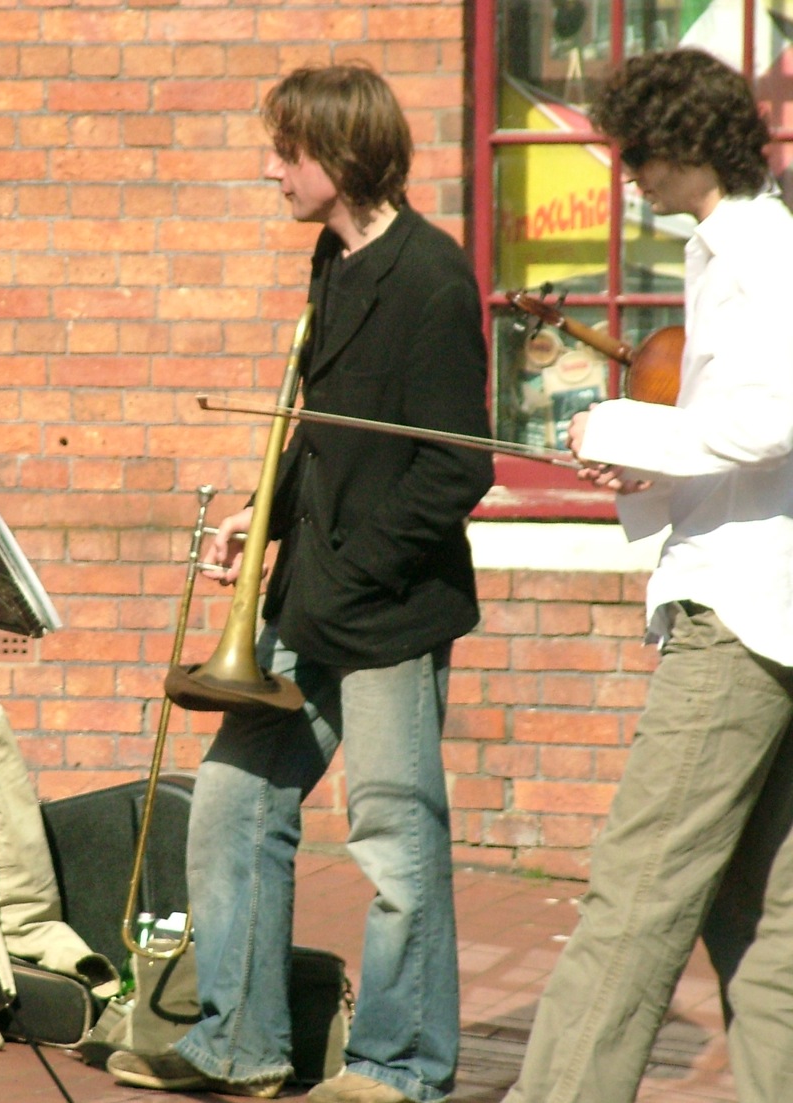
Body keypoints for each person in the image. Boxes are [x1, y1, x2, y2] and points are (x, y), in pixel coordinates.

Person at [105, 65, 493, 1103]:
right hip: (304, 605)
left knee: (395, 840)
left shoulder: (433, 279)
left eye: (286, 150)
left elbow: (458, 467)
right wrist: (257, 518)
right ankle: (241, 1044)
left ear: (341, 154)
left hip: (388, 614)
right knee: (231, 806)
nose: (268, 167)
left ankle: (401, 1065)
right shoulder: (332, 257)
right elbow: (317, 439)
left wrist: (353, 570)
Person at [504, 49, 793, 1103]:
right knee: (763, 922)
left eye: (632, 150)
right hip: (770, 602)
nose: (623, 170)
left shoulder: (758, 250)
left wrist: (629, 422)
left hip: (743, 611)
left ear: (679, 145)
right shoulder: (746, 243)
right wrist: (650, 453)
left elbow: (771, 416)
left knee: (633, 901)